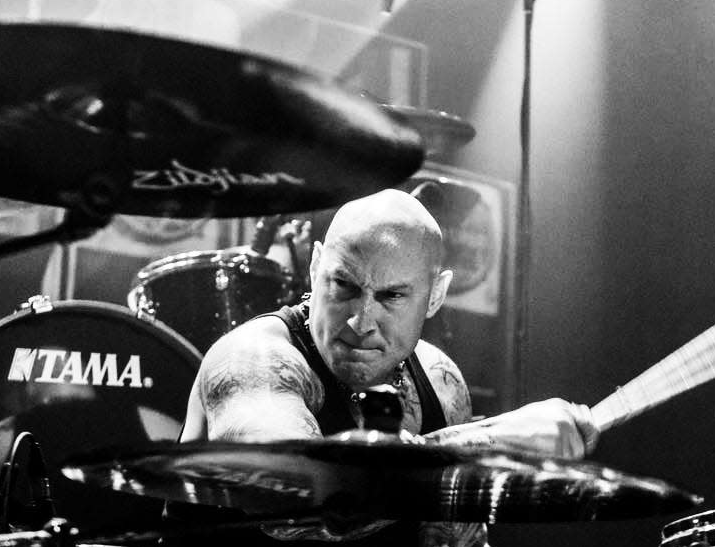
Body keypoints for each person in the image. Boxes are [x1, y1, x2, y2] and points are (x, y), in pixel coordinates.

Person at [179, 189, 598, 546]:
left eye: (392, 297)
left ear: (435, 296)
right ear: (314, 267)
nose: (361, 322)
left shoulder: (441, 381)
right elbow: (297, 504)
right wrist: (491, 442)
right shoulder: (253, 360)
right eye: (343, 285)